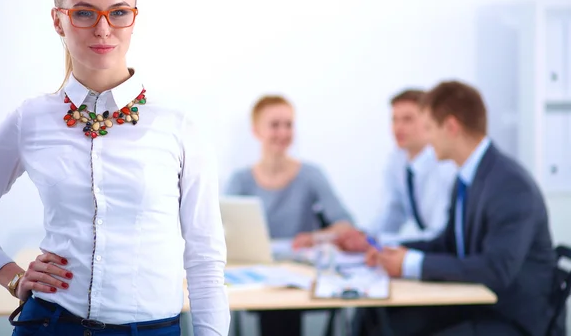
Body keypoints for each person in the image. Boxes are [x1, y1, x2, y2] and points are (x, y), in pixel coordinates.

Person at [0, 0, 229, 335]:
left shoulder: (178, 126)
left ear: (134, 18)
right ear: (58, 20)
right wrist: (10, 276)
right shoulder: (31, 119)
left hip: (152, 329)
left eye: (119, 12)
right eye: (84, 13)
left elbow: (205, 258)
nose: (104, 28)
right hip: (49, 323)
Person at [364, 80, 557, 336]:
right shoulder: (468, 178)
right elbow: (448, 243)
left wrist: (410, 264)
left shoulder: (510, 184)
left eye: (429, 128)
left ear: (451, 127)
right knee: (381, 321)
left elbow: (495, 269)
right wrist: (397, 253)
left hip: (510, 316)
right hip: (478, 303)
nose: (428, 139)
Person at [226, 94, 354, 336]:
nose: (283, 132)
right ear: (256, 131)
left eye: (289, 125)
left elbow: (346, 225)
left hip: (300, 277)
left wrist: (314, 238)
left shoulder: (311, 175)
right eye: (275, 125)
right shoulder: (239, 180)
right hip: (255, 277)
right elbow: (218, 229)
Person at [335, 89, 456, 253]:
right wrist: (364, 235)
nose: (398, 128)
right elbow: (393, 211)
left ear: (429, 121)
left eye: (407, 119)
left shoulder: (444, 166)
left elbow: (437, 235)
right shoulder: (398, 159)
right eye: (394, 120)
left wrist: (378, 241)